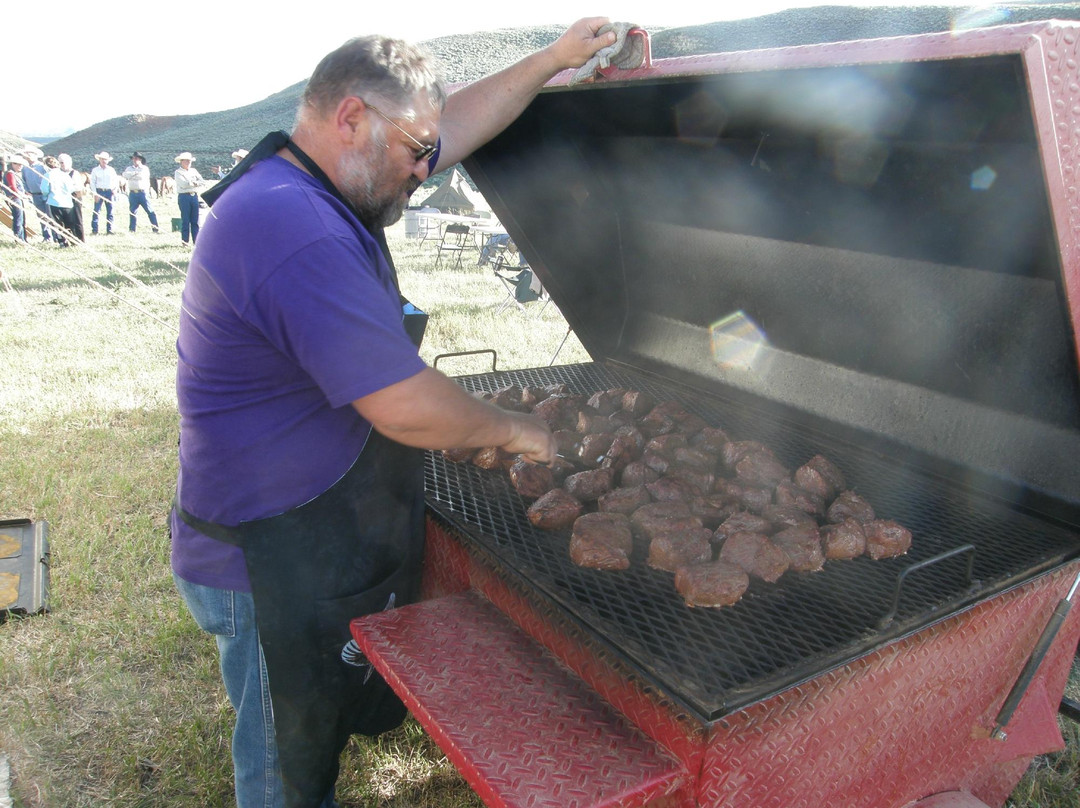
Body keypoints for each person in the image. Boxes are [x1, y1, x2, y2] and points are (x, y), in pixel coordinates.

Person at [170, 19, 615, 808]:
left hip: (292, 531)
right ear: (350, 119)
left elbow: (449, 127)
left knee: (306, 733)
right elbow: (407, 405)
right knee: (284, 758)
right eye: (417, 155)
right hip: (262, 560)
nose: (427, 173)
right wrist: (516, 429)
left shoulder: (315, 179)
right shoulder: (290, 224)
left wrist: (552, 61)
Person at [39, 156, 77, 246]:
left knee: (58, 224)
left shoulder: (47, 175)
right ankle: (73, 240)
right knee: (69, 222)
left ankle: (62, 242)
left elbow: (44, 189)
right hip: (67, 203)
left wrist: (46, 196)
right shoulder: (65, 175)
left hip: (54, 202)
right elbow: (71, 188)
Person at [21, 148, 54, 242]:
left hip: (47, 194)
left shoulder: (42, 167)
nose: (29, 155)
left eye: (31, 153)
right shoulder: (25, 168)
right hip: (35, 195)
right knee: (41, 216)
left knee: (50, 215)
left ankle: (56, 236)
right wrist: (27, 190)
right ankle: (47, 237)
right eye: (27, 153)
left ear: (36, 155)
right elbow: (24, 181)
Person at [173, 152, 206, 245]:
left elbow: (202, 181)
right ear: (181, 162)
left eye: (189, 161)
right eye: (186, 161)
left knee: (195, 220)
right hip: (184, 196)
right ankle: (185, 241)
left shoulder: (194, 171)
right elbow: (183, 184)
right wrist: (194, 183)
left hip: (194, 196)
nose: (188, 162)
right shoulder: (178, 172)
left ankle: (196, 241)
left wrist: (192, 183)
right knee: (185, 220)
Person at [122, 152, 160, 233]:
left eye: (136, 158)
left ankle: (155, 228)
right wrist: (135, 174)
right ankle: (132, 229)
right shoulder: (129, 168)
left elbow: (142, 176)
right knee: (132, 212)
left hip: (143, 193)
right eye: (134, 158)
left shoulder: (144, 168)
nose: (135, 160)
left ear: (140, 160)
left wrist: (131, 175)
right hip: (132, 193)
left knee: (150, 211)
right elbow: (125, 175)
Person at [58, 154, 85, 242]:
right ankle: (70, 239)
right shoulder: (58, 173)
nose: (62, 164)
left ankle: (80, 239)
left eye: (63, 162)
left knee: (77, 219)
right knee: (66, 219)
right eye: (60, 163)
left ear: (69, 163)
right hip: (63, 198)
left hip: (75, 198)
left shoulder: (75, 173)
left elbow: (77, 187)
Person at [90, 151, 118, 235]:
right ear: (99, 160)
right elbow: (92, 182)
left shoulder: (111, 170)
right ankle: (95, 230)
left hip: (109, 191)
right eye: (102, 159)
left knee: (110, 211)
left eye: (105, 159)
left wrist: (114, 189)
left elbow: (115, 181)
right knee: (96, 211)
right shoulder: (95, 170)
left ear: (108, 160)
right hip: (99, 191)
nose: (104, 161)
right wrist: (95, 193)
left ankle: (110, 229)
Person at [3, 153, 30, 241]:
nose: (20, 166)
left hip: (16, 198)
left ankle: (21, 238)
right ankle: (19, 238)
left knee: (20, 218)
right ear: (12, 164)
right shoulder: (10, 174)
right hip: (15, 198)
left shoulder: (12, 173)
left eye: (21, 164)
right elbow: (13, 188)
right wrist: (23, 195)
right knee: (19, 219)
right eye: (17, 164)